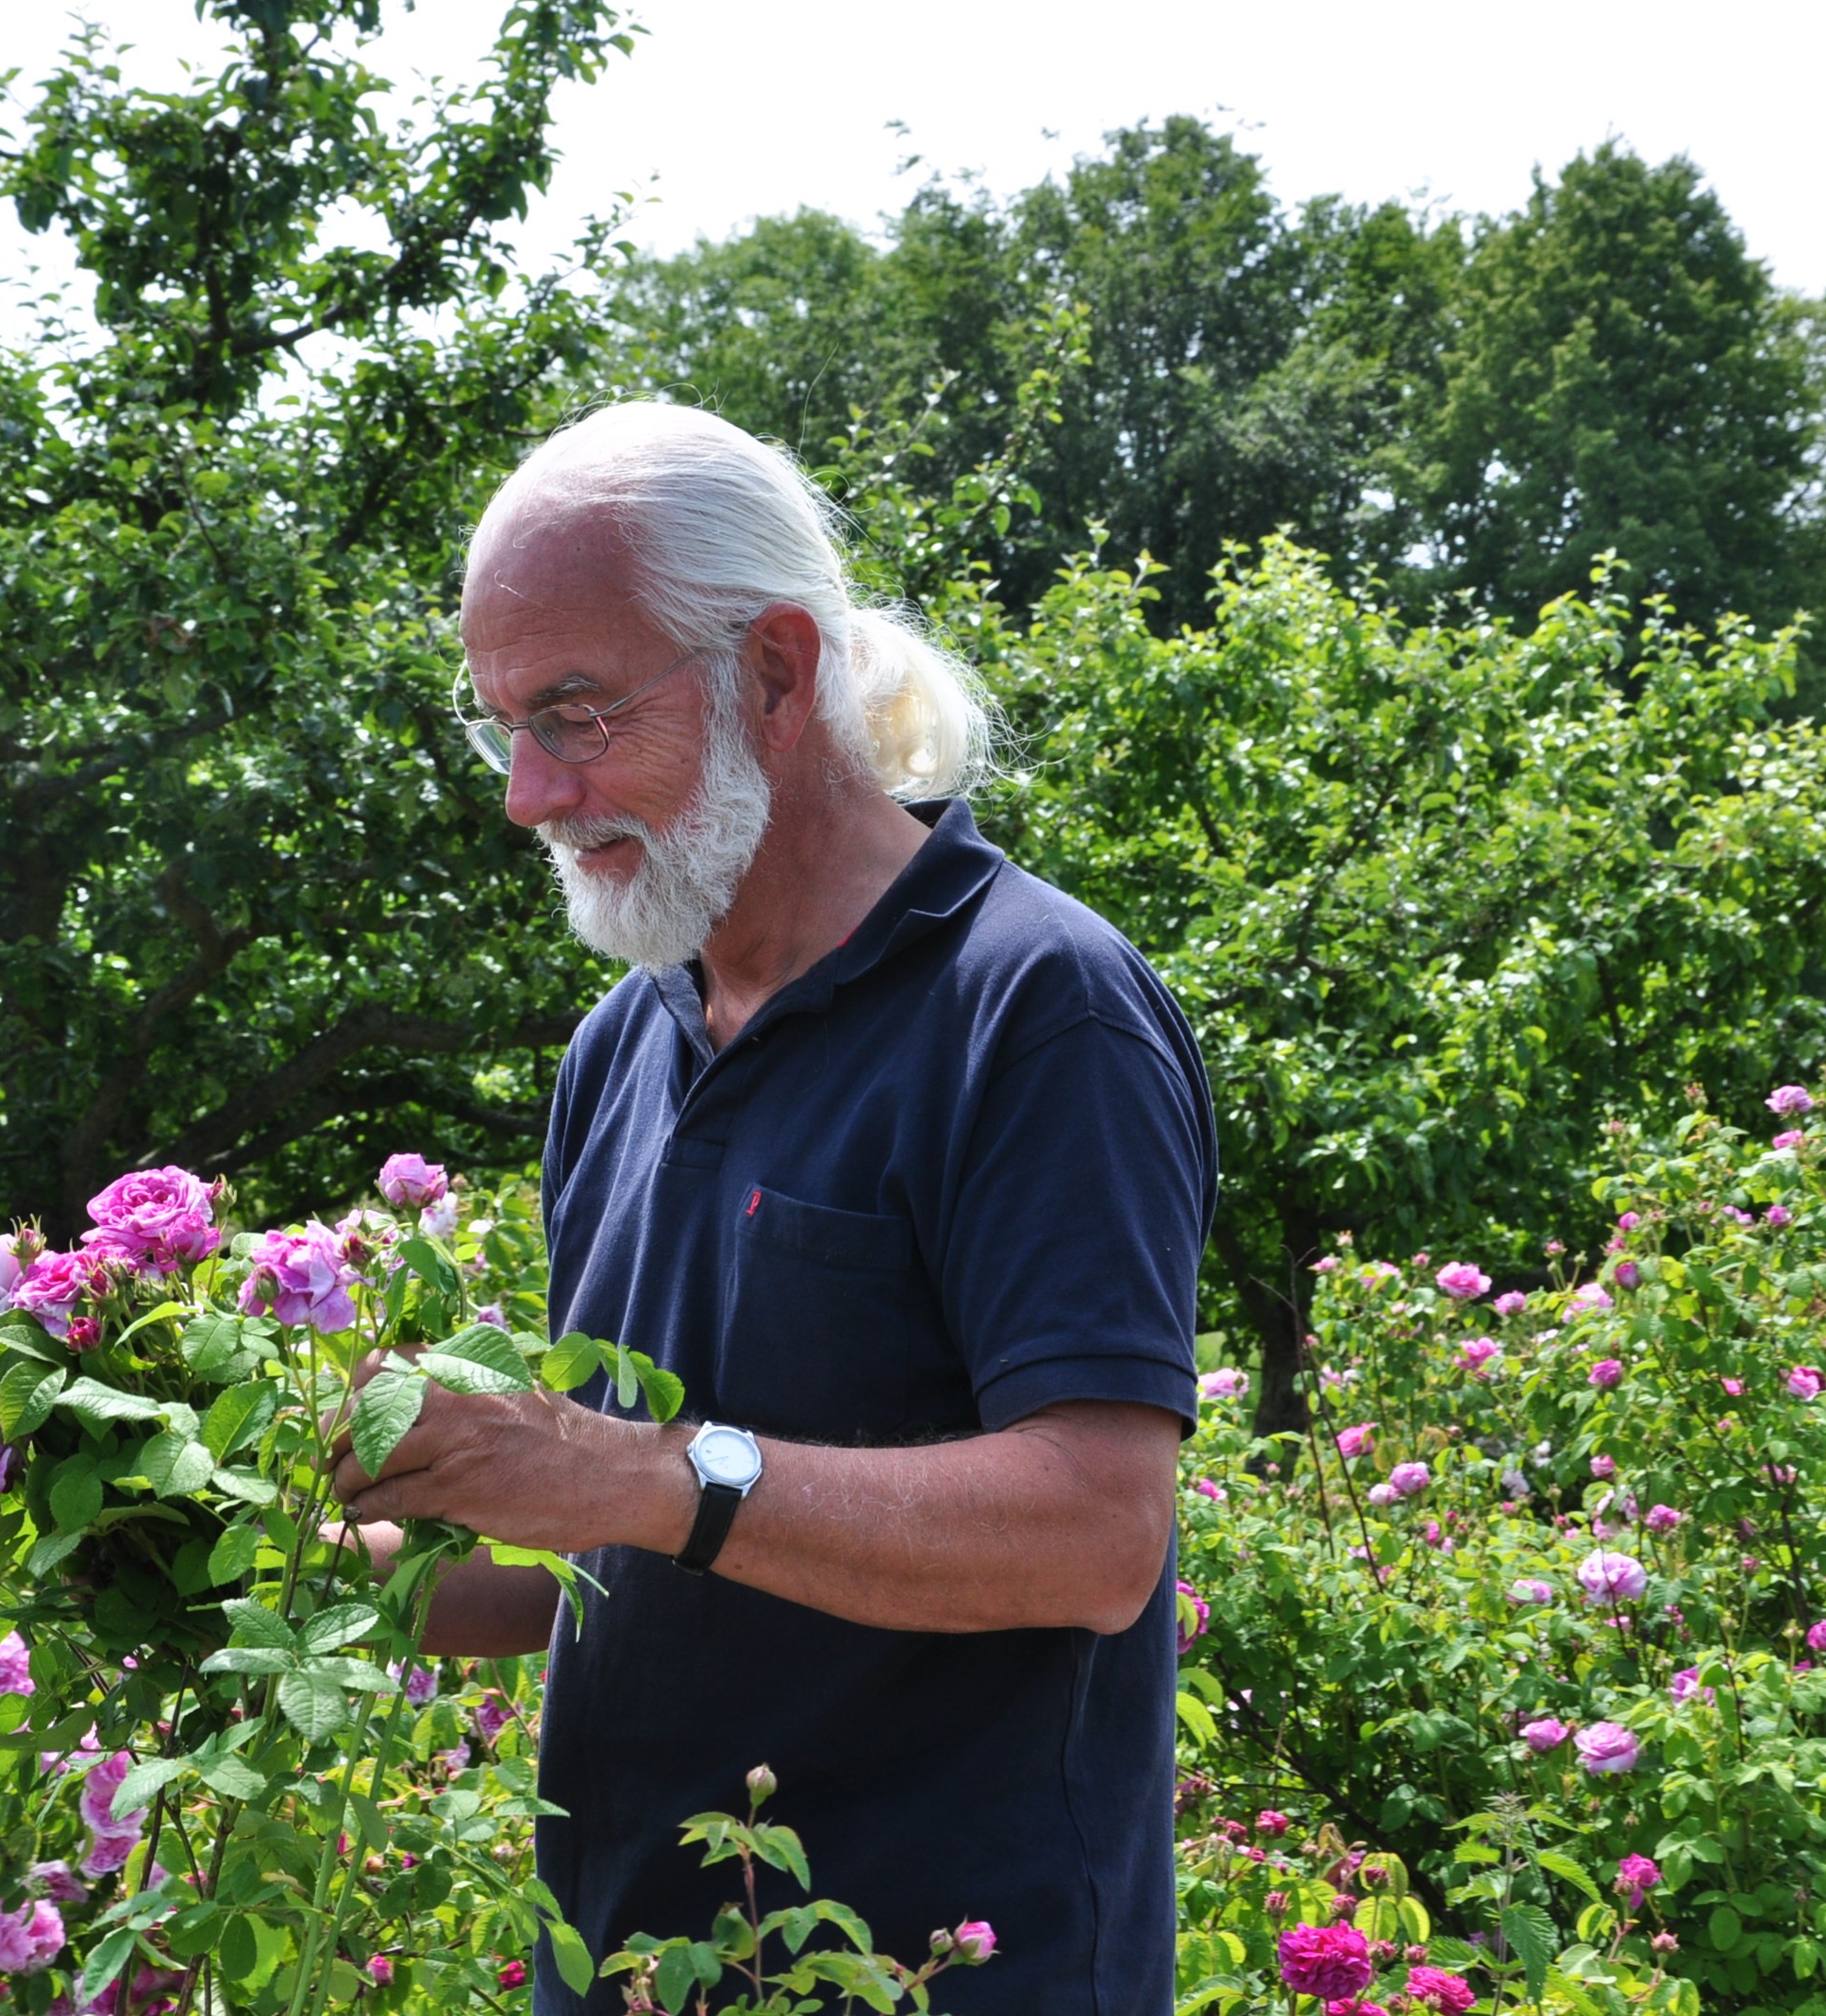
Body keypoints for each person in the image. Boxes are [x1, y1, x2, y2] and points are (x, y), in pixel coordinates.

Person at [328, 401, 1213, 2014]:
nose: (531, 793)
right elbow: (597, 1558)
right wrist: (286, 1548)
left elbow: (1098, 1533)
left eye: (577, 715)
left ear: (780, 675)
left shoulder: (1034, 1011)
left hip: (933, 1981)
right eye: (504, 726)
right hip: (630, 1979)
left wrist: (645, 1471)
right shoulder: (627, 1048)